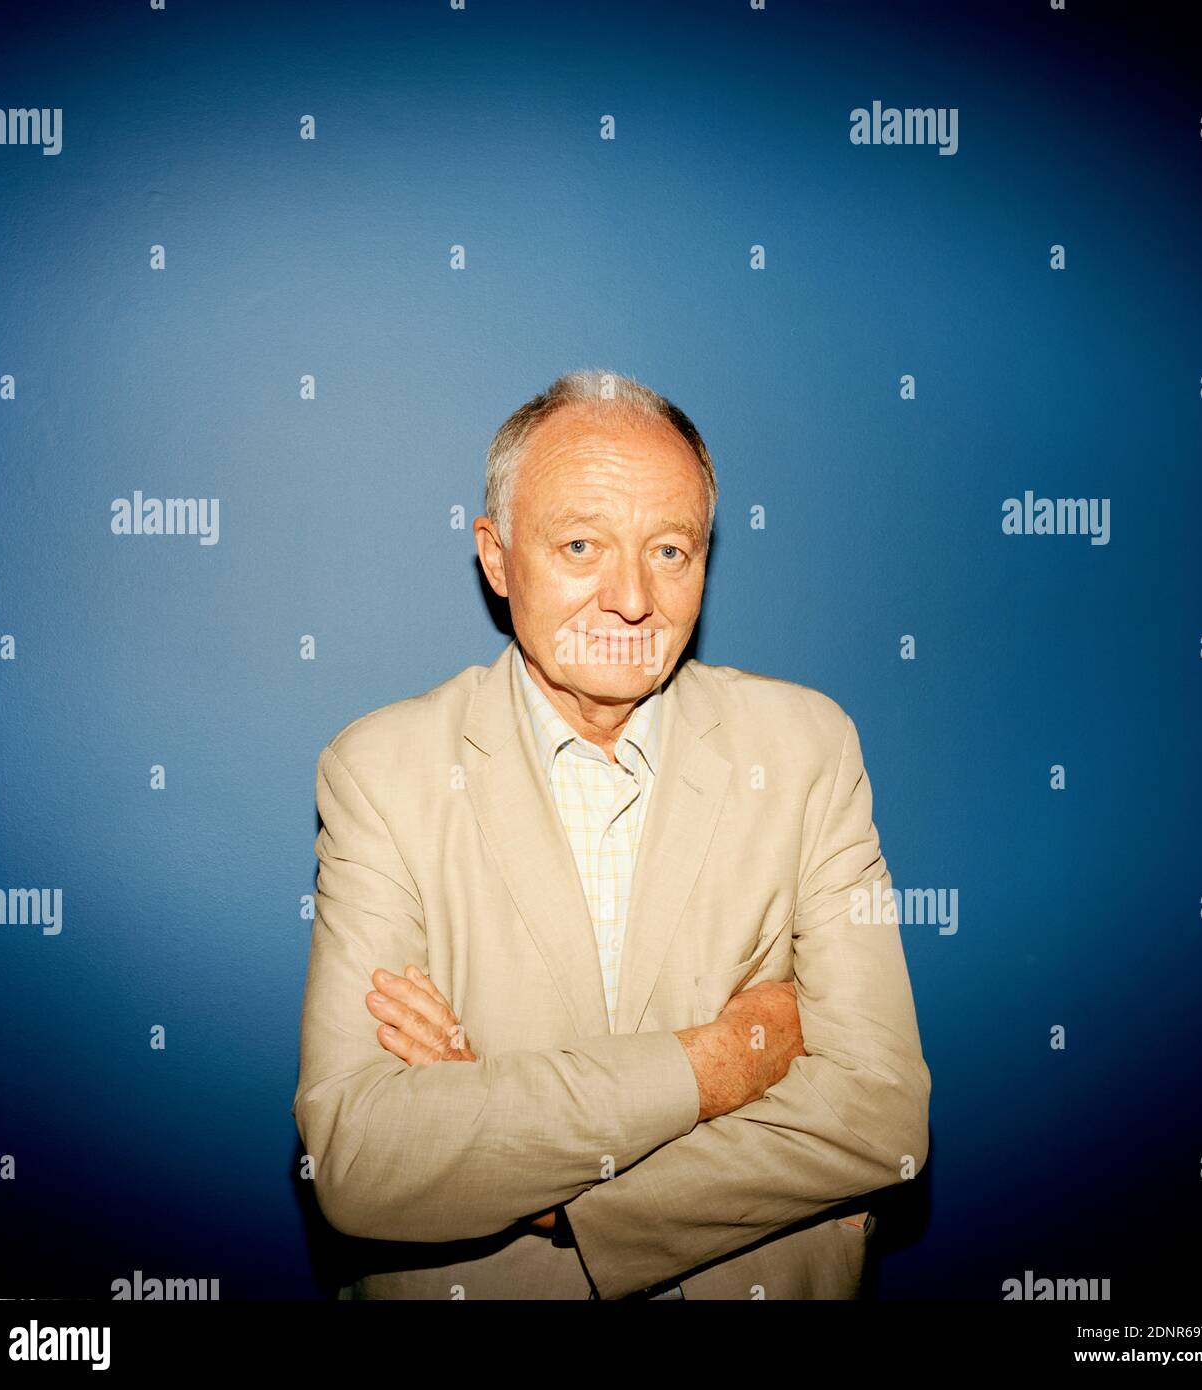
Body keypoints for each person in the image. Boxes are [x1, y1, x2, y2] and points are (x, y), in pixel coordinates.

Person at [292, 369, 930, 1299]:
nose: (632, 599)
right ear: (498, 556)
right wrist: (720, 1061)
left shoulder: (806, 750)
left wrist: (555, 1188)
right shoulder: (383, 772)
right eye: (582, 544)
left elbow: (883, 1120)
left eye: (671, 550)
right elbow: (362, 1161)